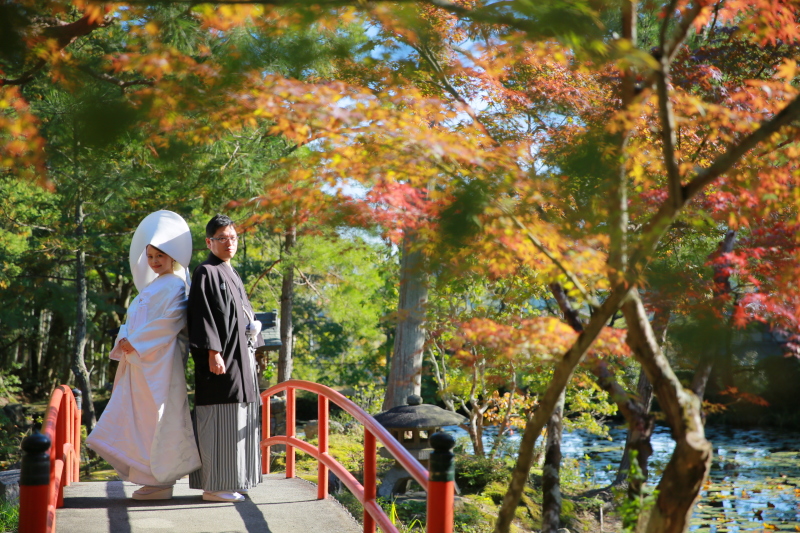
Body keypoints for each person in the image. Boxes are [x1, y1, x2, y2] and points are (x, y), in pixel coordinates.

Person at [87, 210, 201, 500]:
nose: (154, 262)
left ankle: (162, 480)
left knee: (157, 419)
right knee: (136, 418)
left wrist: (136, 342)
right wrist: (125, 337)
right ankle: (151, 477)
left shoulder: (177, 285)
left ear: (172, 256)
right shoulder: (152, 286)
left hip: (159, 363)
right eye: (150, 257)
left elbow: (172, 320)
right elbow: (133, 320)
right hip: (139, 362)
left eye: (159, 256)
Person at [188, 214, 263, 502]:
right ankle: (214, 486)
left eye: (232, 237)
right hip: (221, 359)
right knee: (220, 417)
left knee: (241, 414)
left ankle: (236, 479)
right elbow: (202, 316)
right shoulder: (206, 271)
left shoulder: (230, 271)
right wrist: (213, 352)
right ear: (209, 242)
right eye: (221, 238)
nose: (228, 243)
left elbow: (242, 313)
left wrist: (254, 327)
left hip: (241, 356)